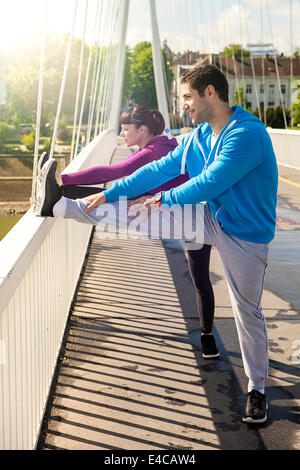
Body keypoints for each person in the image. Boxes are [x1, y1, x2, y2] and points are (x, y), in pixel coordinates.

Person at [34, 64, 278, 423]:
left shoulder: (246, 134)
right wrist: (113, 193)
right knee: (138, 211)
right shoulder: (200, 137)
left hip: (246, 235)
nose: (183, 106)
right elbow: (159, 170)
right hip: (214, 217)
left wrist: (165, 199)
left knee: (247, 312)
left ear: (210, 93)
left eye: (187, 97)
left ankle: (257, 389)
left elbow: (211, 182)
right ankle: (59, 205)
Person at [36, 104, 219, 359]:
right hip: (194, 212)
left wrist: (64, 178)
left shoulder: (152, 152)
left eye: (125, 128)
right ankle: (208, 338)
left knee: (110, 202)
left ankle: (55, 196)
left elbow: (115, 172)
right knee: (200, 278)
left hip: (181, 215)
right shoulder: (166, 145)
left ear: (142, 130)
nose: (121, 134)